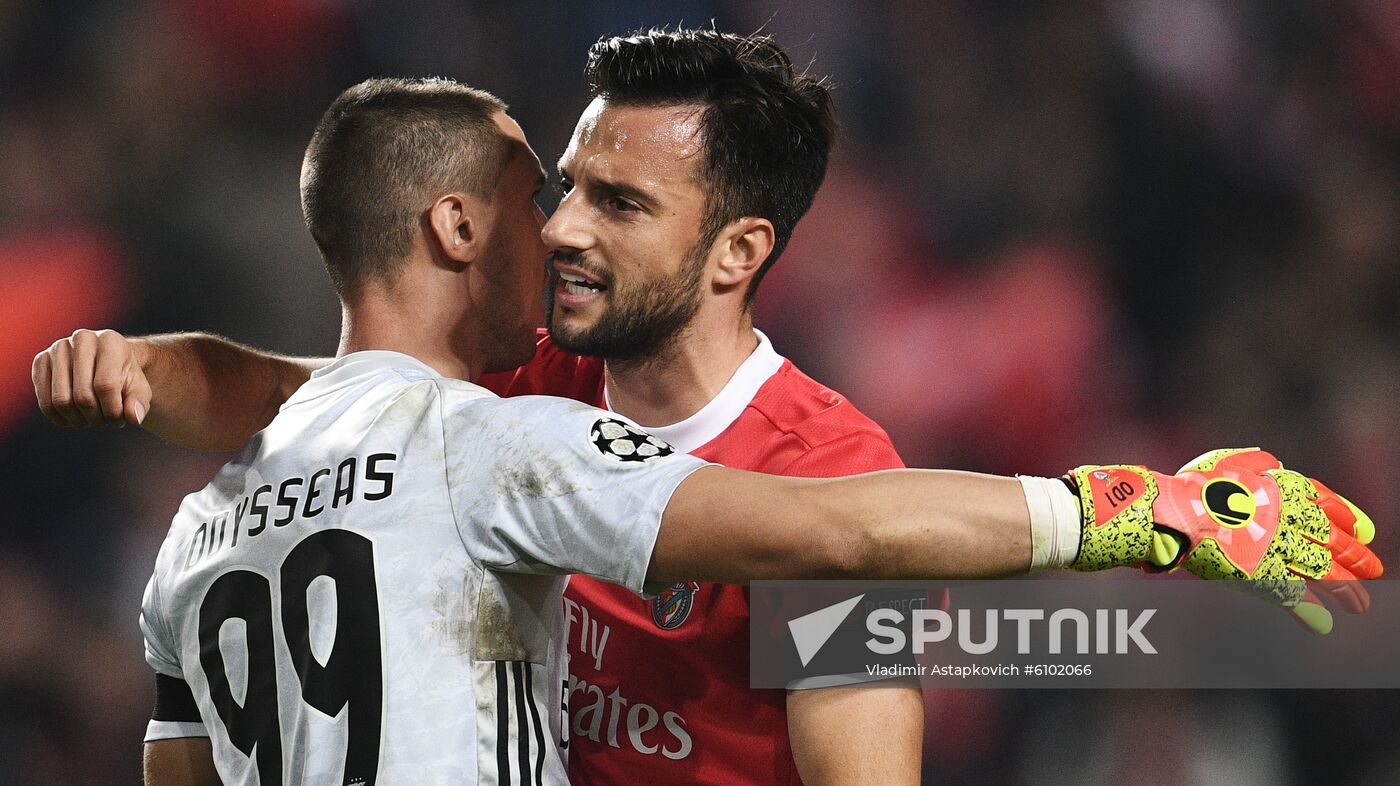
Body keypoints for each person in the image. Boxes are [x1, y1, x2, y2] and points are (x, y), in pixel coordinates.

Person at [34, 73, 1381, 786]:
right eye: (552, 191)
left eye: (611, 202)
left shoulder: (203, 535)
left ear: (735, 249)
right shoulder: (504, 417)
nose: (559, 226)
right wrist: (1128, 511)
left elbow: (847, 537)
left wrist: (140, 369)